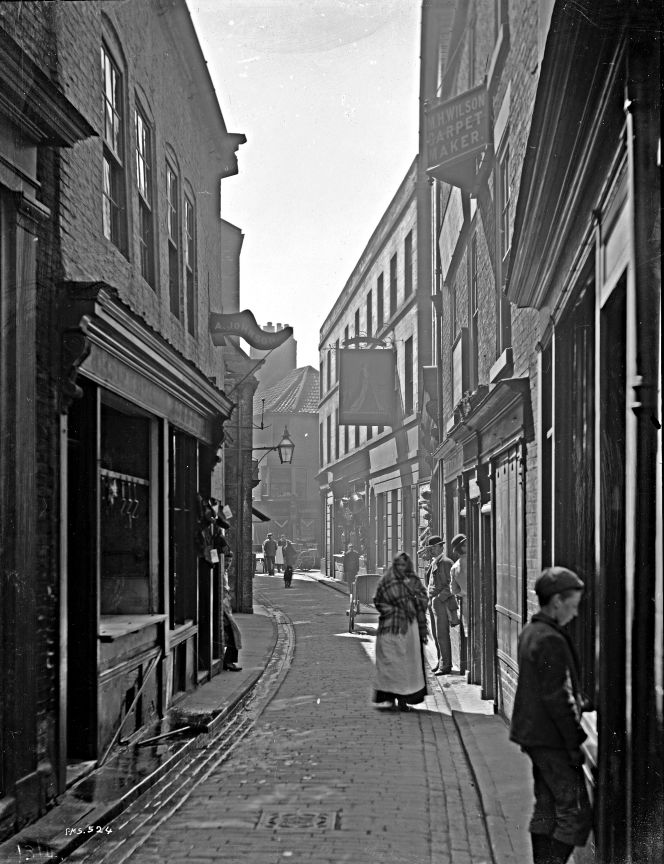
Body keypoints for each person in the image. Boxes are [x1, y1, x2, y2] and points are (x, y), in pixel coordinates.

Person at [509, 566, 593, 864]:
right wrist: (575, 741)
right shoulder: (550, 639)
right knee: (575, 813)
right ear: (557, 601)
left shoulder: (532, 631)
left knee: (545, 808)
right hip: (551, 738)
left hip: (534, 735)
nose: (576, 612)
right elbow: (556, 697)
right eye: (573, 604)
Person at [372, 551, 429, 712]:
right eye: (398, 565)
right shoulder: (387, 580)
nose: (401, 568)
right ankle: (389, 697)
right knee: (390, 664)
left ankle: (404, 700)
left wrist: (414, 602)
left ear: (408, 565)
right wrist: (393, 611)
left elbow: (424, 598)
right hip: (389, 629)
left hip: (409, 629)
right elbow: (378, 600)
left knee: (407, 665)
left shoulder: (413, 580)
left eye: (404, 565)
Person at [421, 535, 457, 675]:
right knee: (436, 635)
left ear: (441, 547)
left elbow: (451, 584)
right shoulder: (434, 562)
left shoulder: (446, 562)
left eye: (434, 547)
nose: (432, 550)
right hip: (433, 602)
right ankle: (440, 661)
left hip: (441, 603)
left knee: (442, 634)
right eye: (430, 548)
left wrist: (439, 598)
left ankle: (446, 665)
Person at [449, 533, 468, 675]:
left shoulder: (455, 567)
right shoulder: (476, 561)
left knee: (468, 634)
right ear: (463, 547)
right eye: (467, 543)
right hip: (479, 603)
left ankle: (468, 668)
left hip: (466, 604)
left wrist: (463, 593)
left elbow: (454, 590)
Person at [222, 570, 242, 672]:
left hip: (226, 608)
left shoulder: (224, 571)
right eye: (226, 560)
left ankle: (228, 661)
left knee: (233, 634)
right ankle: (228, 661)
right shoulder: (221, 570)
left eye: (230, 561)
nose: (228, 563)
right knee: (232, 634)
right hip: (222, 609)